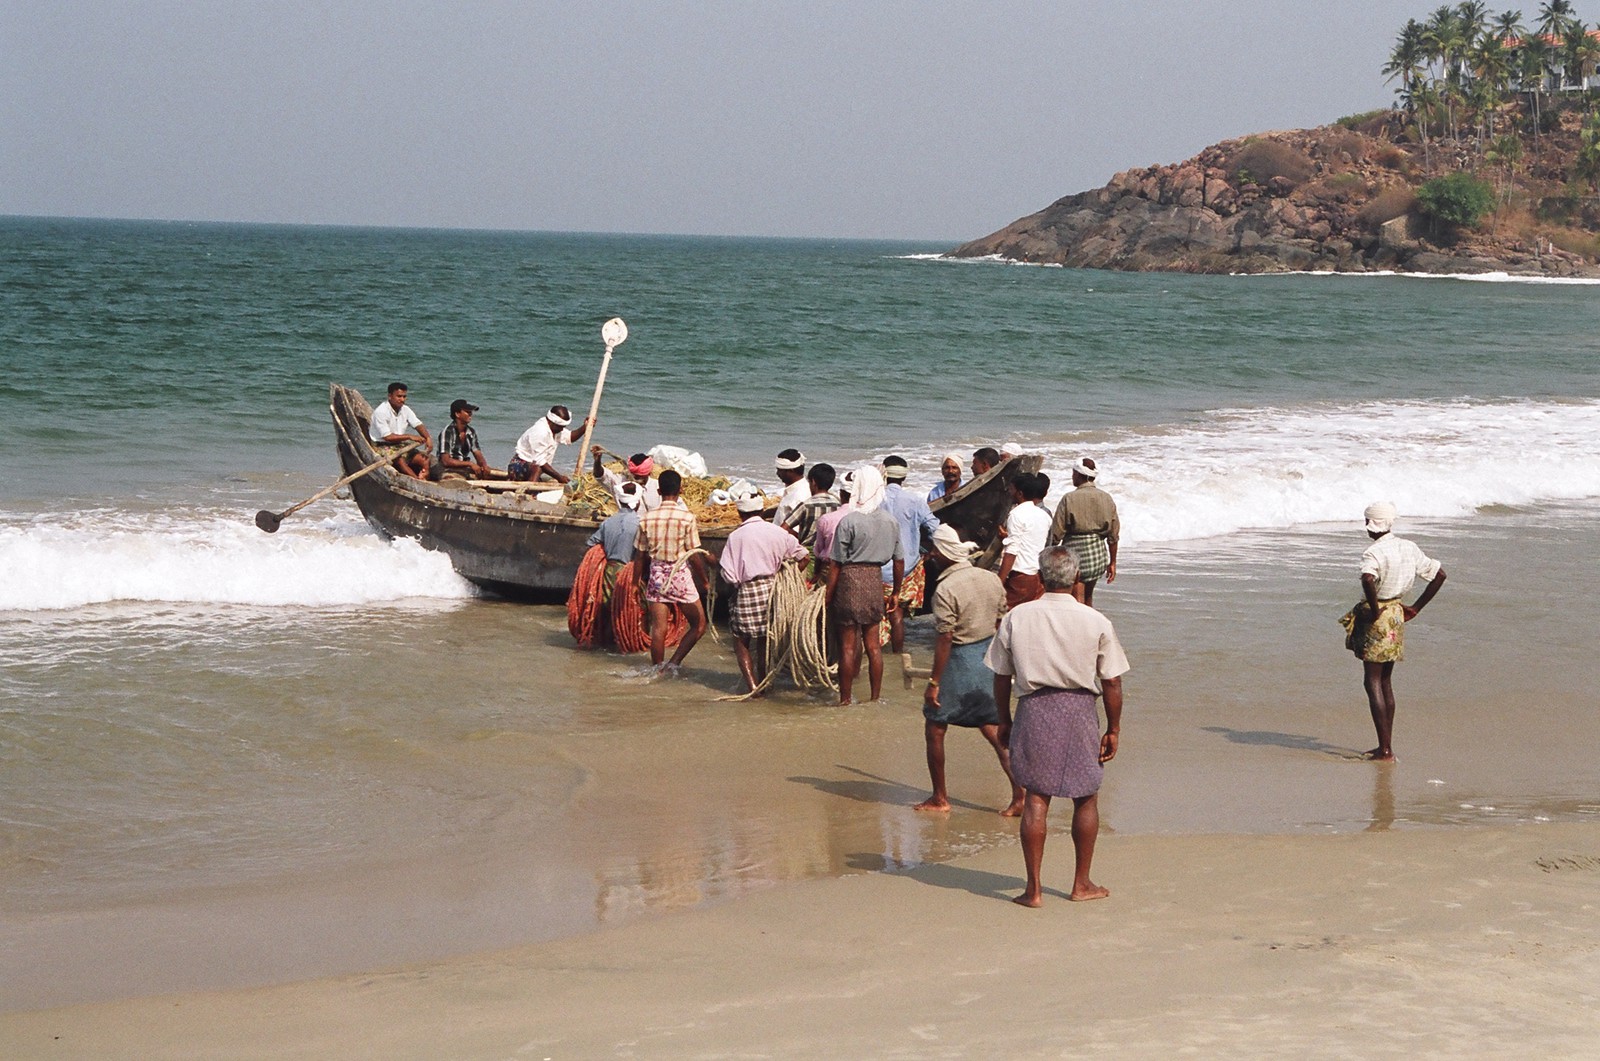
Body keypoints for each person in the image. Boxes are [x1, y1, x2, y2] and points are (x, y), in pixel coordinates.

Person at [987, 547, 1130, 908]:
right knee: (1086, 795)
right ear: (1076, 577)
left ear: (1040, 576)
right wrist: (1113, 728)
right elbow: (1111, 681)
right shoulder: (1095, 621)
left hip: (1034, 707)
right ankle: (1081, 883)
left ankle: (1033, 890)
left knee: (1036, 796)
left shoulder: (1019, 617)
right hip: (1080, 708)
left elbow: (1001, 676)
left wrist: (1003, 717)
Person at [917, 524, 1023, 816]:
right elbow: (1001, 622)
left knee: (935, 727)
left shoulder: (945, 589)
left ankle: (940, 797)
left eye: (934, 551)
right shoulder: (989, 578)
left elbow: (945, 638)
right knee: (994, 729)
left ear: (943, 553)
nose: (932, 555)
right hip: (988, 659)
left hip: (961, 660)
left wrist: (934, 682)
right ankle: (1020, 793)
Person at [1339, 502, 1447, 762]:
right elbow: (1439, 575)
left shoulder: (1373, 553)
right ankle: (1385, 745)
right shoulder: (1408, 547)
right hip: (1396, 615)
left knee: (1371, 681)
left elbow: (1367, 579)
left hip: (1378, 619)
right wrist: (1416, 608)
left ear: (1370, 524)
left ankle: (1384, 749)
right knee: (1385, 681)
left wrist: (1374, 610)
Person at [825, 466, 902, 705]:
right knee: (873, 646)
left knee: (847, 647)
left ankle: (845, 699)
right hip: (874, 580)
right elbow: (899, 560)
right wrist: (897, 592)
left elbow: (836, 563)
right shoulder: (891, 522)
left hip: (849, 580)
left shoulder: (849, 521)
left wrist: (828, 595)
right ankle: (874, 697)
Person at [721, 491, 810, 694]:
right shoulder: (777, 532)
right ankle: (763, 682)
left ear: (739, 513)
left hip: (748, 590)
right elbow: (804, 556)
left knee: (741, 640)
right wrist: (790, 578)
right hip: (773, 591)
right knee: (763, 639)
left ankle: (753, 687)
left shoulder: (735, 537)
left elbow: (728, 575)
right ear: (761, 511)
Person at [632, 470, 709, 673]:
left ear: (658, 491)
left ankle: (657, 668)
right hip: (679, 575)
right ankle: (673, 663)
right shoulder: (687, 518)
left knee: (659, 628)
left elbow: (639, 556)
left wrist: (634, 584)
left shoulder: (646, 519)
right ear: (680, 490)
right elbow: (693, 554)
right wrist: (704, 580)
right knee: (699, 624)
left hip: (657, 574)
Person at [879, 455, 940, 655]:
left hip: (876, 569)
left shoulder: (874, 499)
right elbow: (934, 529)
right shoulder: (915, 500)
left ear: (884, 473)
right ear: (904, 477)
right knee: (897, 614)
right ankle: (897, 657)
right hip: (905, 570)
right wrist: (931, 552)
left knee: (873, 618)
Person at [1048, 457, 1120, 607]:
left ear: (1079, 475)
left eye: (1073, 473)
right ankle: (1091, 625)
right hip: (1098, 554)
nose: (1072, 476)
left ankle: (1079, 626)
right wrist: (1112, 562)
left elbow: (1056, 534)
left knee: (1076, 597)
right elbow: (1113, 535)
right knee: (1088, 596)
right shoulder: (1106, 497)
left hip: (1076, 553)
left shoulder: (1069, 498)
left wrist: (1049, 553)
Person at [585, 480, 644, 628]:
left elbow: (591, 543)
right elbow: (643, 554)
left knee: (607, 609)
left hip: (608, 573)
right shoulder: (640, 524)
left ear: (620, 501)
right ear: (637, 503)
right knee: (632, 612)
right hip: (631, 574)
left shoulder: (608, 522)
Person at [998, 471, 1052, 610]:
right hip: (1038, 576)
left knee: (1002, 617)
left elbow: (1012, 551)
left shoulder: (1016, 514)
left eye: (1011, 489)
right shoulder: (1043, 515)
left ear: (1020, 493)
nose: (1009, 492)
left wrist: (999, 582)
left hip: (1021, 578)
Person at [509, 405, 591, 483]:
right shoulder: (540, 431)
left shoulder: (554, 428)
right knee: (539, 467)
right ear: (552, 422)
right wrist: (559, 477)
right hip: (518, 467)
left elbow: (570, 437)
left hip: (532, 470)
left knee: (539, 468)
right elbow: (540, 461)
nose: (562, 429)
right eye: (561, 426)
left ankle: (533, 484)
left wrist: (585, 427)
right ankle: (531, 491)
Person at [368, 382, 432, 479]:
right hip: (382, 444)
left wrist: (428, 438)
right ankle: (416, 481)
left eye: (404, 396)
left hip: (398, 443)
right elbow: (388, 437)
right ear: (390, 396)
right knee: (399, 460)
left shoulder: (405, 409)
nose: (402, 400)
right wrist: (409, 436)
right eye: (399, 396)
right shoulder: (381, 412)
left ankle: (423, 476)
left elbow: (418, 424)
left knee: (425, 460)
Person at [781, 463, 840, 552]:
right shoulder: (838, 504)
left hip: (808, 552)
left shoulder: (806, 505)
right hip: (831, 552)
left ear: (813, 482)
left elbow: (783, 528)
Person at [434, 399, 492, 480]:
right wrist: (470, 464)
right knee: (452, 480)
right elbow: (445, 461)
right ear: (457, 414)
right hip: (447, 470)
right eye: (467, 412)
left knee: (491, 474)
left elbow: (477, 453)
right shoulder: (447, 432)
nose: (470, 414)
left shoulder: (471, 432)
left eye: (470, 412)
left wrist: (484, 466)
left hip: (463, 468)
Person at [592, 446, 662, 511]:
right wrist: (597, 460)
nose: (635, 478)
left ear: (649, 473)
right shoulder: (620, 483)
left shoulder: (658, 486)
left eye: (640, 476)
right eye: (634, 475)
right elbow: (600, 475)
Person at [771, 449, 810, 525]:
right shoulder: (794, 489)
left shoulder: (799, 495)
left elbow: (794, 530)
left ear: (791, 471)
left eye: (779, 470)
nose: (777, 473)